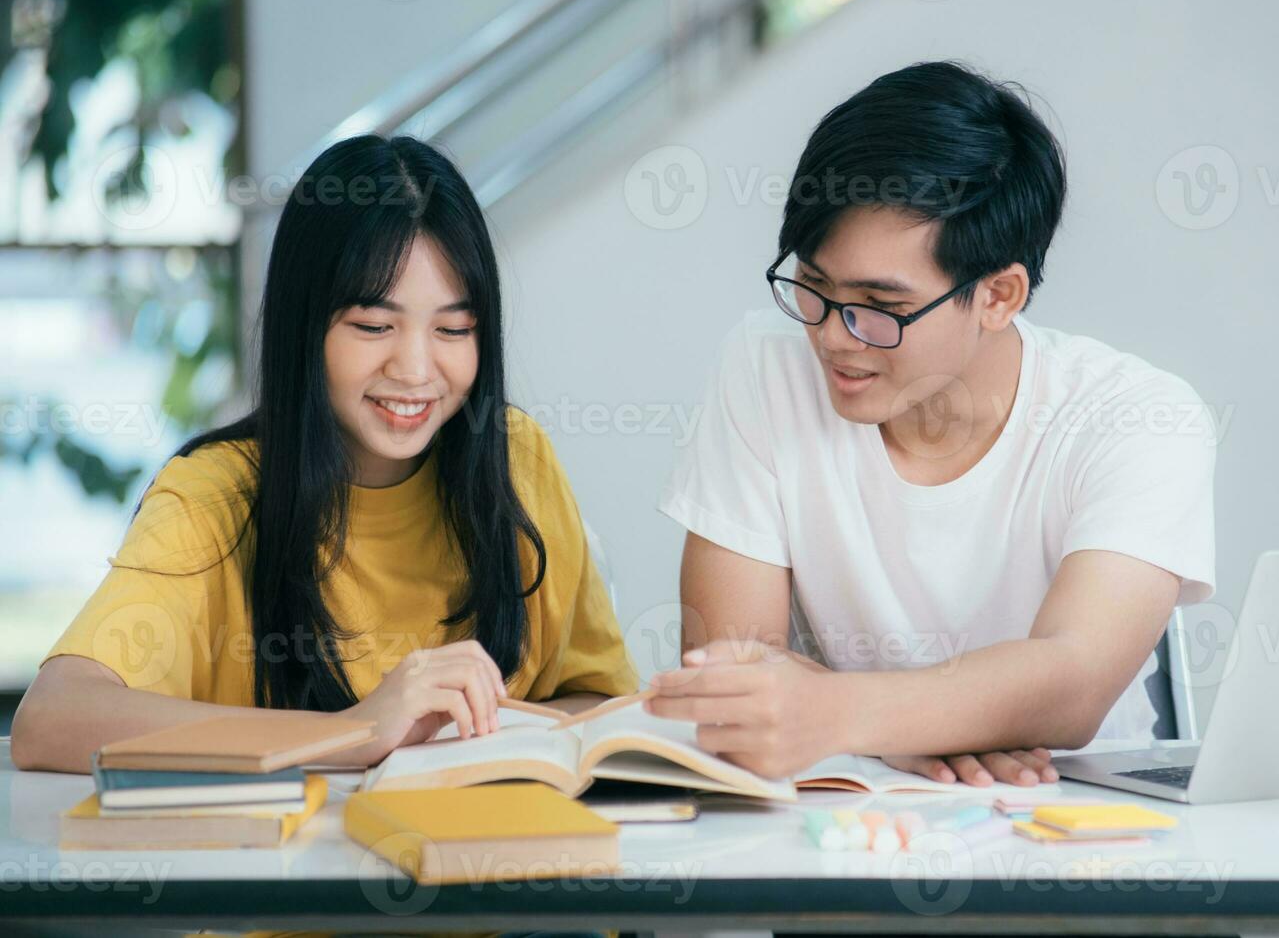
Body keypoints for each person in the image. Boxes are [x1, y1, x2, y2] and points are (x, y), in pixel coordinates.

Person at [648, 61, 1216, 788]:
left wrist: (847, 714)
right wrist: (906, 727)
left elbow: (1074, 682)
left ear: (999, 296)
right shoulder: (765, 368)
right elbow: (734, 673)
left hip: (1079, 805)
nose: (832, 336)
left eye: (878, 307)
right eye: (813, 287)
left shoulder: (1139, 416)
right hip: (851, 801)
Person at [12, 134, 637, 774]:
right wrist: (355, 731)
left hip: (494, 861)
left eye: (454, 329)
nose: (417, 369)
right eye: (373, 326)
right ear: (305, 325)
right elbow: (52, 720)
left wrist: (466, 737)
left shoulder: (517, 459)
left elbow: (602, 702)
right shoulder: (213, 497)